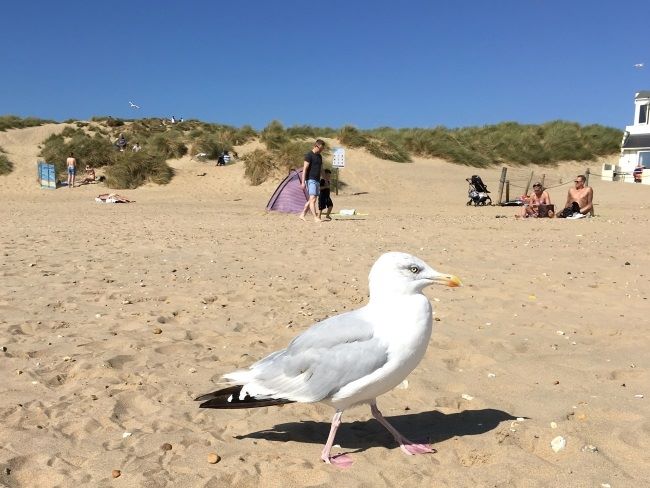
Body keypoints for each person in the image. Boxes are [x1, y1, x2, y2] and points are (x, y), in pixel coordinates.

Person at [299, 139, 325, 222]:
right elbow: (305, 169)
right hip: (310, 179)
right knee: (313, 198)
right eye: (320, 149)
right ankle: (315, 217)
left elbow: (321, 169)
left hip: (317, 180)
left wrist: (325, 178)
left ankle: (302, 214)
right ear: (316, 146)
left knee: (312, 199)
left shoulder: (319, 156)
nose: (321, 150)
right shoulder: (309, 155)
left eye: (322, 149)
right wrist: (303, 182)